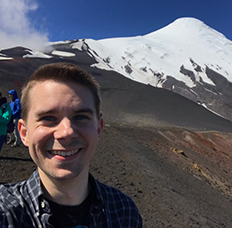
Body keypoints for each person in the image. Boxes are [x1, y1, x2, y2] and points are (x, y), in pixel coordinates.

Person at [0, 63, 142, 227]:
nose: (66, 132)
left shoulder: (125, 212)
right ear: (24, 133)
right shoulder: (5, 213)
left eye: (81, 117)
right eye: (48, 118)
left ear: (98, 129)